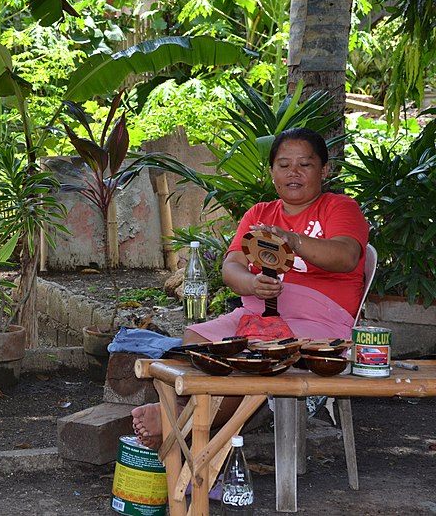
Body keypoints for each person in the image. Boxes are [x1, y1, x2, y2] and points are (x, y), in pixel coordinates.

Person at [133, 127, 369, 449]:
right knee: (197, 339)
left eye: (305, 164)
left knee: (254, 355)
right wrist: (253, 284)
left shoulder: (340, 208)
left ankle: (184, 424)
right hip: (257, 314)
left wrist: (294, 240)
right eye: (284, 165)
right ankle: (199, 424)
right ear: (272, 171)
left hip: (319, 322)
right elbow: (231, 267)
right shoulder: (259, 214)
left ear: (325, 170)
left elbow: (346, 256)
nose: (293, 173)